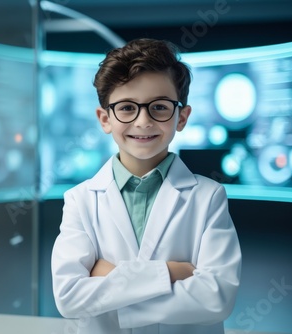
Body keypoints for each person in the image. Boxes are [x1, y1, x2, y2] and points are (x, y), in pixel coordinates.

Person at [51, 38, 242, 334]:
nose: (143, 121)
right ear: (105, 119)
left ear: (182, 117)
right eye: (127, 108)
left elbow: (216, 298)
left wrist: (111, 279)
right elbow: (69, 298)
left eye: (160, 107)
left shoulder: (209, 197)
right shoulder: (80, 200)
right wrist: (171, 272)